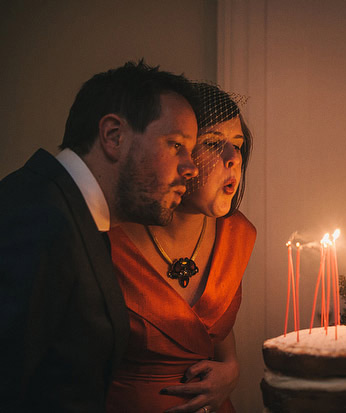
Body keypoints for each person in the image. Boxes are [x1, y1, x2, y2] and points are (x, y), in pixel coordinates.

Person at [0, 60, 200, 411]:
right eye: (176, 145)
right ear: (113, 136)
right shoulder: (38, 218)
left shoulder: (75, 212)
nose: (191, 167)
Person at [105, 83, 256, 413]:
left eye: (238, 145)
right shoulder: (110, 236)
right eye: (214, 144)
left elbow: (208, 330)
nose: (233, 159)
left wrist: (231, 369)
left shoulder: (236, 233)